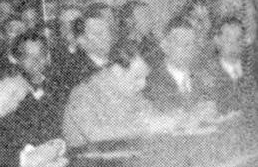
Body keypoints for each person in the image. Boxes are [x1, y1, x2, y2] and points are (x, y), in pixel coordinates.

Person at [61, 43, 198, 147]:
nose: (143, 84)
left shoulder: (131, 92)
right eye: (137, 77)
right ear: (116, 71)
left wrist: (179, 118)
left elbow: (153, 116)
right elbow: (95, 134)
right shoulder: (83, 94)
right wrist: (147, 127)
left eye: (145, 78)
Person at [144, 16, 211, 113]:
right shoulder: (151, 82)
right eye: (180, 44)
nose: (187, 50)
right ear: (164, 45)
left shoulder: (202, 78)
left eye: (190, 44)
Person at [201, 17, 256, 115]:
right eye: (228, 39)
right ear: (217, 40)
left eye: (238, 39)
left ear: (244, 41)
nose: (233, 45)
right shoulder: (207, 74)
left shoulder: (253, 70)